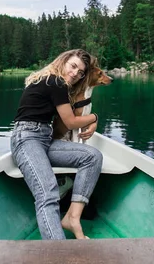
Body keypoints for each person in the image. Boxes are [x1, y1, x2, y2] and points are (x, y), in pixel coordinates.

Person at [10, 49, 102, 240]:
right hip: (27, 138)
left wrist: (90, 121)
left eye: (81, 72)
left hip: (45, 138)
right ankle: (59, 253)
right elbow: (70, 122)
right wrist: (95, 117)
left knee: (92, 157)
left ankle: (72, 217)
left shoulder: (53, 82)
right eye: (73, 66)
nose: (76, 73)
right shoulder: (55, 81)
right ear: (64, 61)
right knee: (48, 193)